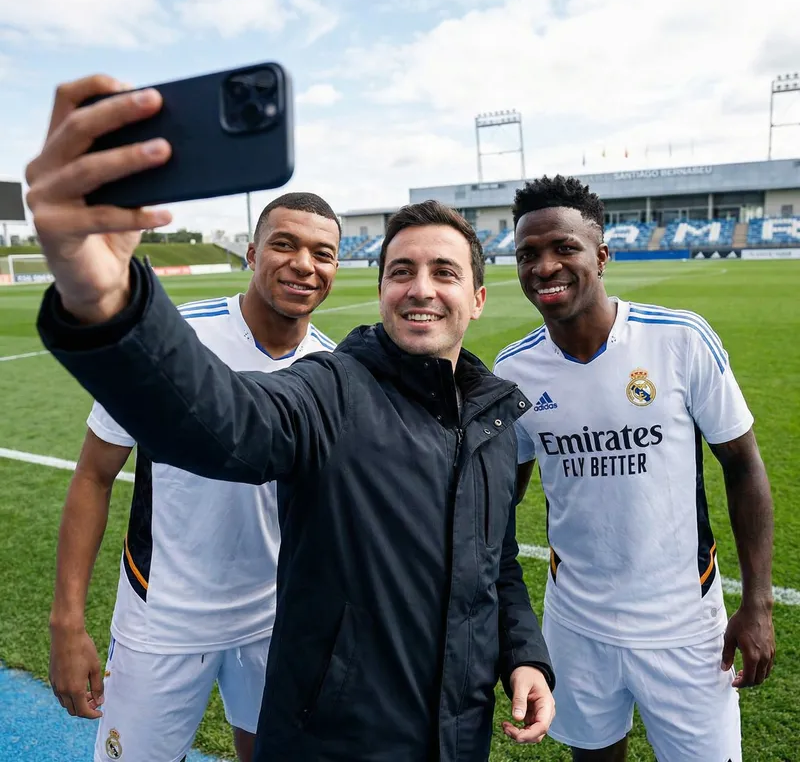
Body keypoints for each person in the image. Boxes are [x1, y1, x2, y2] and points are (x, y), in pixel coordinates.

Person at [27, 76, 555, 762]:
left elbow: (493, 563)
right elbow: (228, 423)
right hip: (187, 629)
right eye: (402, 270)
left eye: (444, 272)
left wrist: (524, 654)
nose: (422, 287)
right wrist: (107, 303)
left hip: (310, 642)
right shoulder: (334, 384)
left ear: (478, 298)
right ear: (382, 288)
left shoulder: (489, 420)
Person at [48, 191, 340, 762]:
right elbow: (93, 475)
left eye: (322, 253)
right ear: (252, 255)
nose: (304, 264)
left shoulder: (333, 368)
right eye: (284, 244)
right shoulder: (175, 343)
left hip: (274, 615)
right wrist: (67, 620)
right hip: (162, 611)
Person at [493, 175, 775, 762]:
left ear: (601, 256)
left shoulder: (679, 339)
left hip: (685, 624)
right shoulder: (513, 371)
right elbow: (501, 495)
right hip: (577, 624)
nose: (545, 266)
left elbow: (743, 466)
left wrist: (757, 603)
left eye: (563, 248)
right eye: (528, 254)